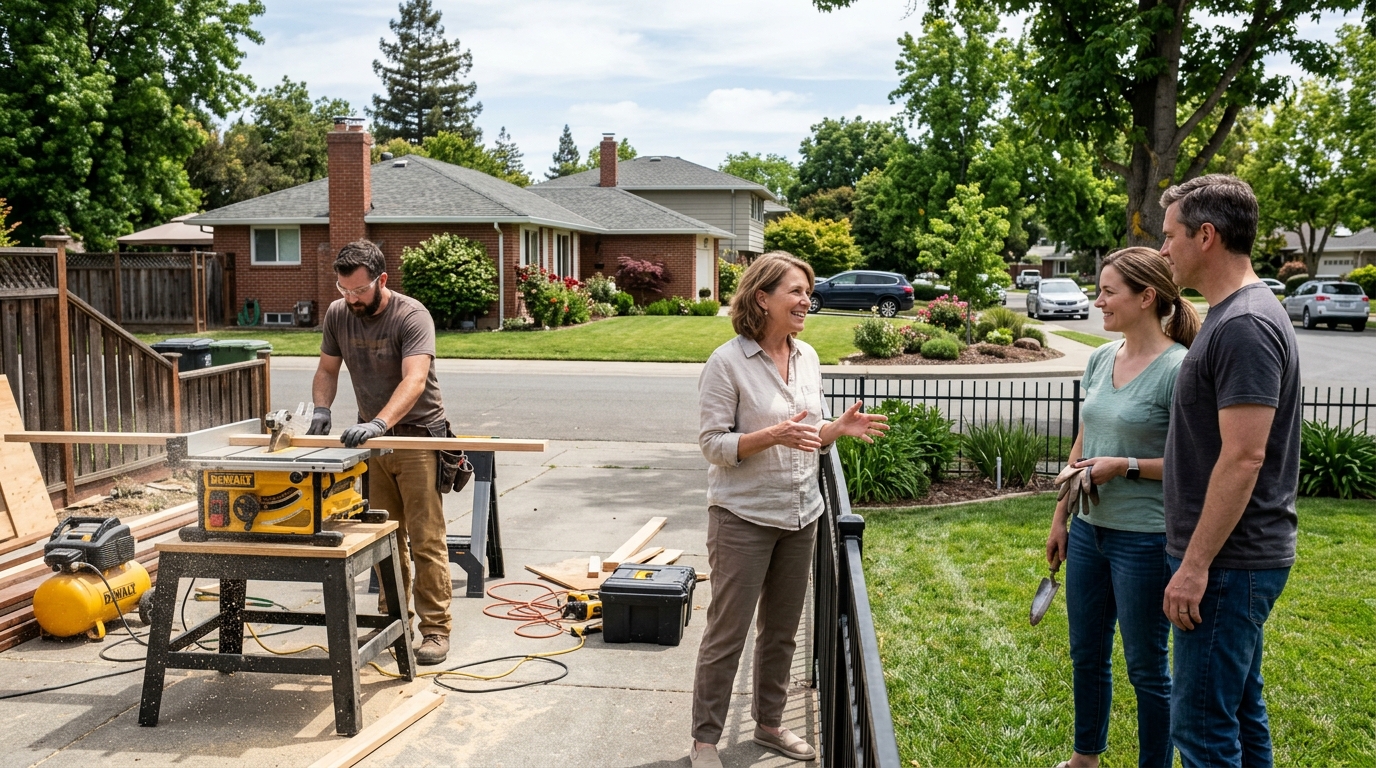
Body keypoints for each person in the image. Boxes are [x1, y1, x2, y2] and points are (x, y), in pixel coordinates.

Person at [691, 253, 889, 767]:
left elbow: (808, 435)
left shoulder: (808, 356)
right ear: (762, 298)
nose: (807, 300)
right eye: (796, 291)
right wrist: (770, 435)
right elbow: (713, 444)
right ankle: (705, 741)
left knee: (781, 630)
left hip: (802, 514)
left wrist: (835, 432)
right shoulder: (727, 362)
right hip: (743, 517)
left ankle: (770, 725)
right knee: (727, 633)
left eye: (808, 290)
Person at [1158, 175, 1301, 768]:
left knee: (1202, 731)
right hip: (1228, 562)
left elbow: (1244, 456)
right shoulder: (1233, 313)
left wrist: (1194, 566)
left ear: (1206, 236)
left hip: (1225, 564)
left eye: (1170, 236)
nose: (1162, 250)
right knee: (1241, 713)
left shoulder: (1244, 324)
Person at [1047, 247, 1200, 768]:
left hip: (1146, 539)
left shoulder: (1179, 369)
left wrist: (1124, 465)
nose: (1098, 301)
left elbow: (1192, 462)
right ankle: (1084, 758)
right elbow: (1083, 443)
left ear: (1146, 297)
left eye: (1109, 292)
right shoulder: (1098, 358)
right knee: (1086, 656)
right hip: (1090, 532)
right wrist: (1061, 516)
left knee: (1146, 669)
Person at [307, 239, 455, 666]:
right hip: (373, 441)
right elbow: (326, 369)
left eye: (359, 291)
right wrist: (321, 407)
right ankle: (396, 624)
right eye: (344, 290)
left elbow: (414, 379)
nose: (351, 299)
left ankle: (435, 631)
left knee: (425, 538)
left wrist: (379, 422)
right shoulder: (339, 314)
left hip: (417, 437)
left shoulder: (412, 315)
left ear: (381, 280)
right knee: (386, 539)